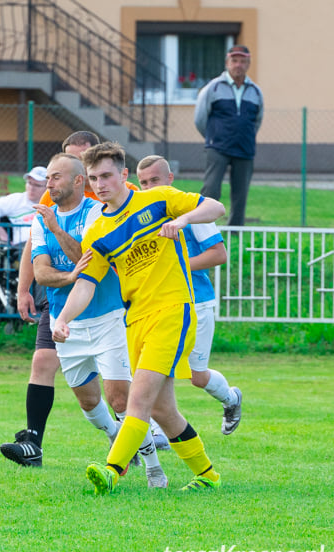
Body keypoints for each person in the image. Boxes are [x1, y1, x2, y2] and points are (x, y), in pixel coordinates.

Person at [53, 142, 226, 494]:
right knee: (163, 410)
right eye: (93, 179)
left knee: (138, 399)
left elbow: (216, 206)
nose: (100, 184)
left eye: (106, 176)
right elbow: (86, 284)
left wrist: (182, 219)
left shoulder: (158, 198)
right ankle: (207, 475)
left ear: (124, 175)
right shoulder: (97, 231)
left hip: (173, 310)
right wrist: (63, 319)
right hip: (136, 321)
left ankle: (113, 471)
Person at [28, 153, 166, 487]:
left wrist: (58, 232)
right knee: (89, 402)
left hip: (107, 317)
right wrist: (69, 277)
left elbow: (88, 261)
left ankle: (153, 467)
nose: (49, 185)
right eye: (47, 178)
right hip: (68, 321)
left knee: (120, 398)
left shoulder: (96, 213)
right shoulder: (39, 219)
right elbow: (42, 272)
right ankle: (119, 436)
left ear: (78, 181)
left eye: (55, 177)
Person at [0, 131, 102, 465]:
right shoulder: (52, 200)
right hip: (59, 301)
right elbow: (34, 244)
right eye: (74, 156)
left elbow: (92, 257)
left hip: (104, 305)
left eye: (85, 157)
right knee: (43, 362)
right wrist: (23, 288)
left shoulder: (108, 196)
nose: (83, 164)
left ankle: (148, 432)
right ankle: (34, 445)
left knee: (116, 391)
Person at [136, 155, 243, 439]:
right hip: (158, 305)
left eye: (155, 180)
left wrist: (175, 264)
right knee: (154, 370)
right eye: (143, 182)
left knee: (197, 376)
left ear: (170, 180)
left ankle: (231, 399)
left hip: (197, 302)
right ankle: (157, 432)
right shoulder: (138, 215)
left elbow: (218, 254)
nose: (148, 188)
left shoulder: (190, 209)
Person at [194, 45, 264, 226]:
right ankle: (204, 228)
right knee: (211, 189)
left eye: (242, 61)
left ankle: (236, 231)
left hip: (245, 149)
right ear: (227, 63)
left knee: (241, 193)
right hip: (217, 147)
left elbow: (257, 121)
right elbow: (200, 119)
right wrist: (213, 137)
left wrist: (244, 136)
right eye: (234, 61)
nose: (238, 65)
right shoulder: (213, 88)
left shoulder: (256, 92)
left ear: (248, 64)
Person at [0, 166, 46, 245]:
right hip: (21, 248)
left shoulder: (53, 204)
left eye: (37, 185)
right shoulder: (15, 200)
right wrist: (4, 237)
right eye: (29, 183)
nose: (31, 188)